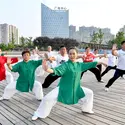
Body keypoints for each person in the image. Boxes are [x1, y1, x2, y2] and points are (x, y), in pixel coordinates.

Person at [32, 47, 103, 120]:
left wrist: (103, 62)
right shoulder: (65, 65)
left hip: (76, 88)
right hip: (63, 88)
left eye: (73, 54)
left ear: (76, 55)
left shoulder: (80, 65)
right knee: (47, 99)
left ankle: (87, 109)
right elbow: (56, 70)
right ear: (68, 55)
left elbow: (92, 64)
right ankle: (38, 114)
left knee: (89, 93)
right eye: (70, 54)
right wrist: (46, 69)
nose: (72, 55)